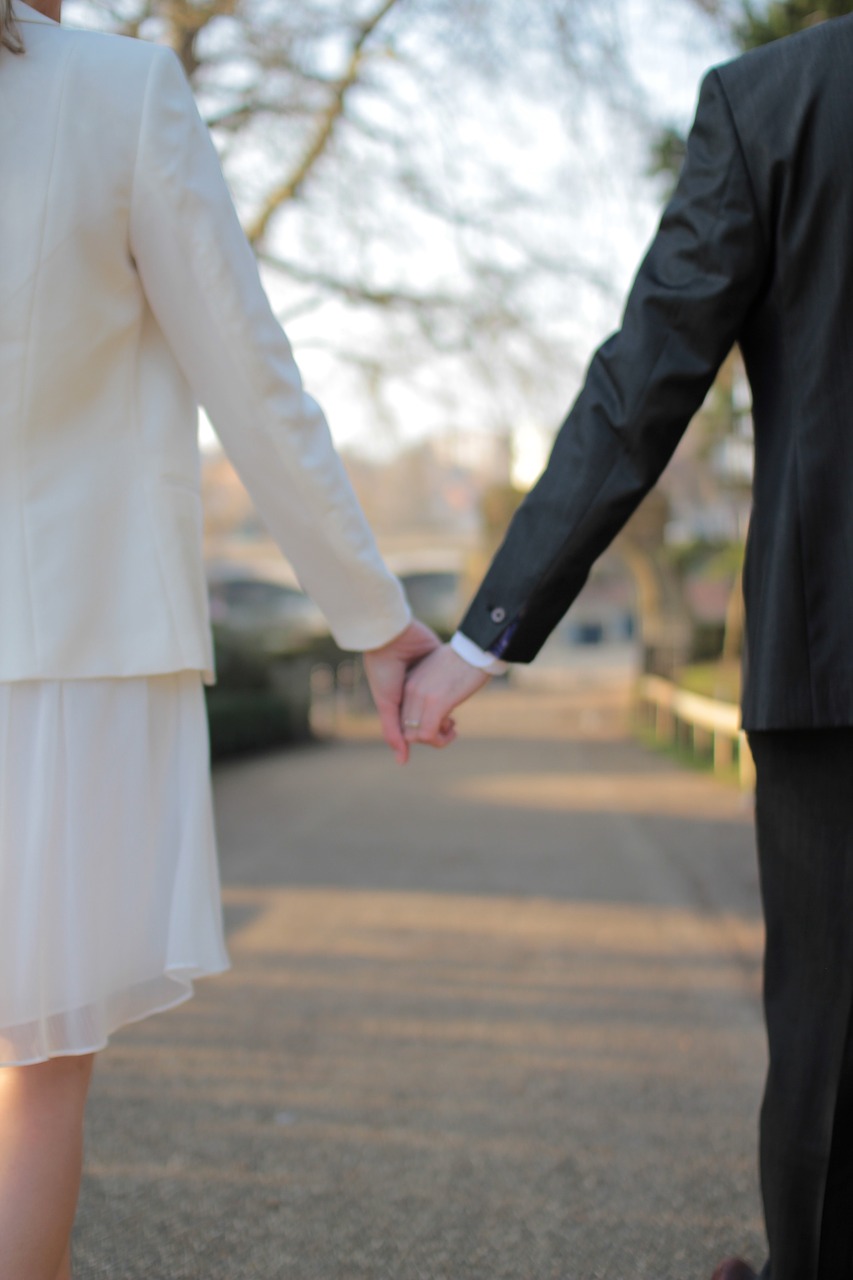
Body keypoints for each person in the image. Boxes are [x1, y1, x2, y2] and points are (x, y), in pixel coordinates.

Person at [398, 15, 853, 1280]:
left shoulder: (776, 103)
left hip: (836, 663)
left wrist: (479, 642)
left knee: (832, 1058)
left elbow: (643, 382)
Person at [0, 1, 443, 1276]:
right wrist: (374, 615)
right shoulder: (118, 91)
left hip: (70, 638)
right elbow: (249, 371)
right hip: (65, 644)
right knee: (35, 1071)